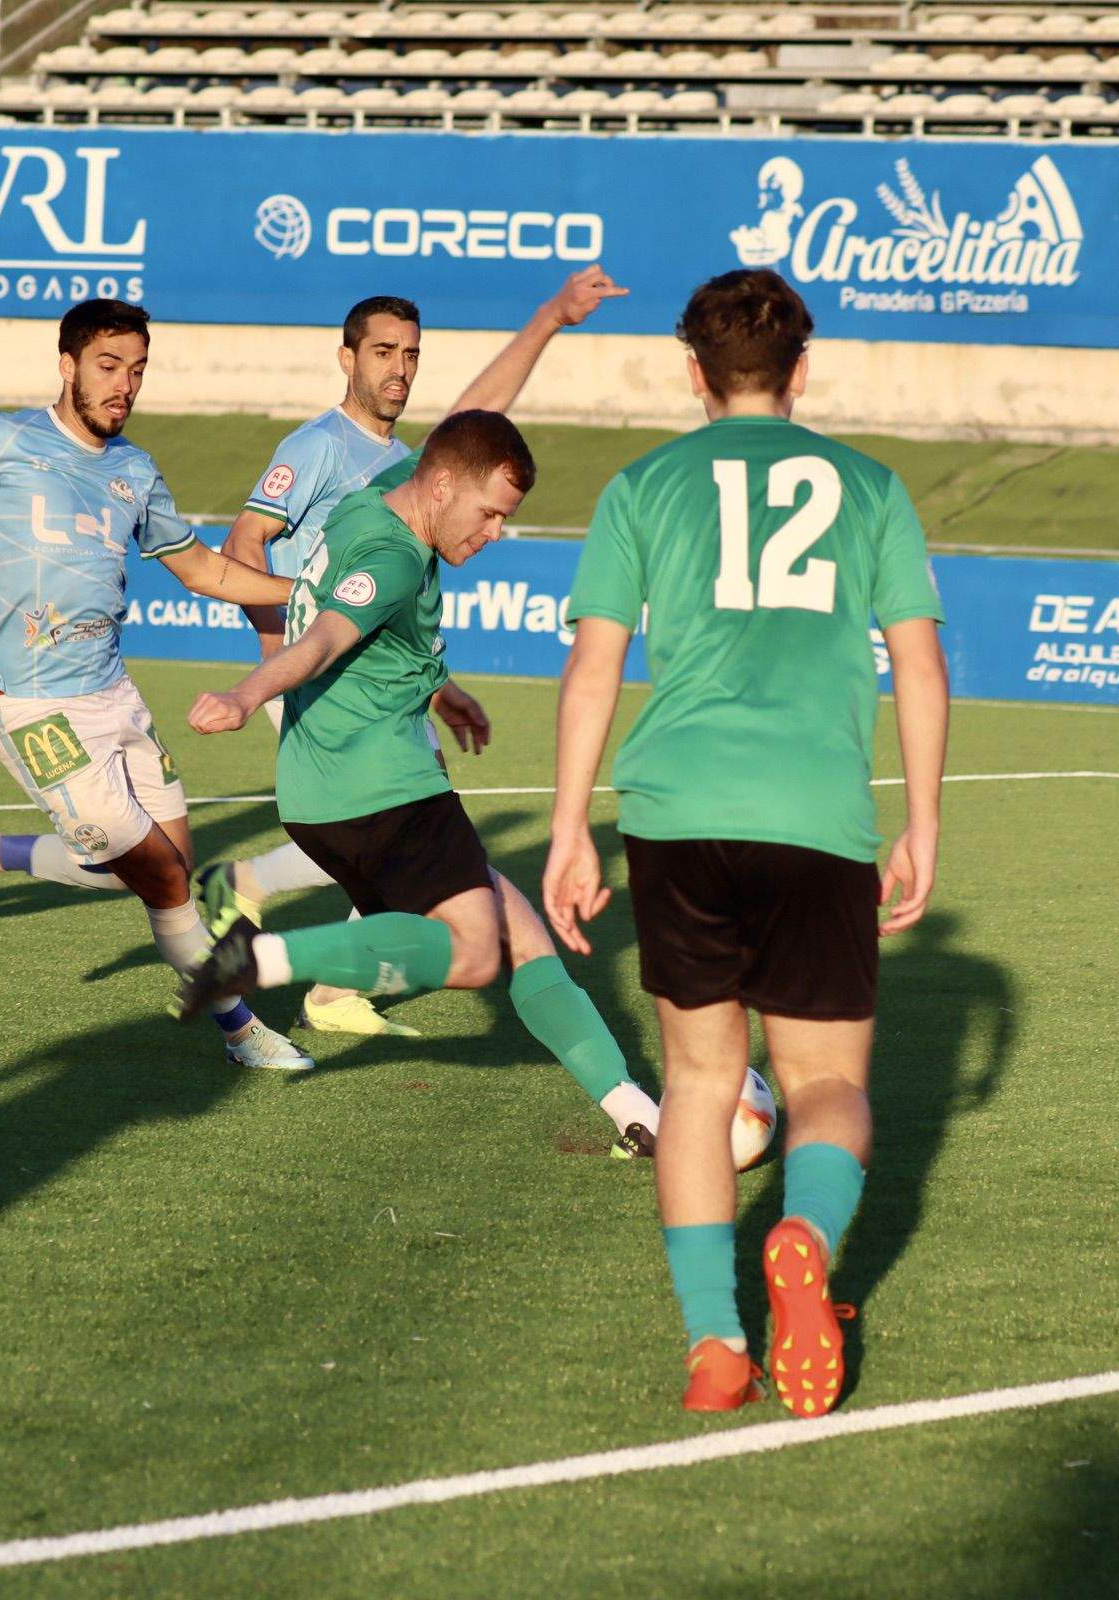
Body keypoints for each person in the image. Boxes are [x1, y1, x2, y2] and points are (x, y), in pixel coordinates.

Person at [540, 269, 948, 1416]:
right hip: (817, 817)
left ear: (693, 373)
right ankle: (805, 1238)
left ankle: (716, 1346)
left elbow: (593, 667)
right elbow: (917, 661)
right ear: (801, 370)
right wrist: (921, 818)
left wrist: (572, 827)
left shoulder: (641, 486)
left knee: (701, 1081)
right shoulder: (869, 486)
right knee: (826, 1083)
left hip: (677, 811)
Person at [174, 412, 664, 1153]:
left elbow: (463, 434)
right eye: (490, 512)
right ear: (439, 486)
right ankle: (265, 958)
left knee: (522, 936)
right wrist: (246, 696)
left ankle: (634, 1112)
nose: (496, 531)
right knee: (475, 952)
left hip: (319, 795)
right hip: (385, 790)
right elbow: (325, 641)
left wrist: (440, 685)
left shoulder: (369, 500)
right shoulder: (395, 556)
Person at [179, 268, 628, 1040]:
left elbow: (481, 415)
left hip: (370, 682)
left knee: (403, 844)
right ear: (347, 358)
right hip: (321, 679)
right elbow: (245, 544)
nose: (399, 367)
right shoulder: (318, 447)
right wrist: (275, 665)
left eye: (411, 353)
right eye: (383, 351)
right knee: (424, 849)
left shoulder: (413, 461)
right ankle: (294, 952)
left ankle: (298, 949)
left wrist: (551, 318)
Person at [0, 299, 312, 1071]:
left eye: (137, 371)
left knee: (151, 867)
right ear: (68, 364)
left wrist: (308, 594)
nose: (125, 386)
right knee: (166, 878)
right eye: (109, 367)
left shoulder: (134, 471)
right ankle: (241, 1030)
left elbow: (204, 569)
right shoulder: (3, 439)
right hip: (35, 704)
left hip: (115, 698)